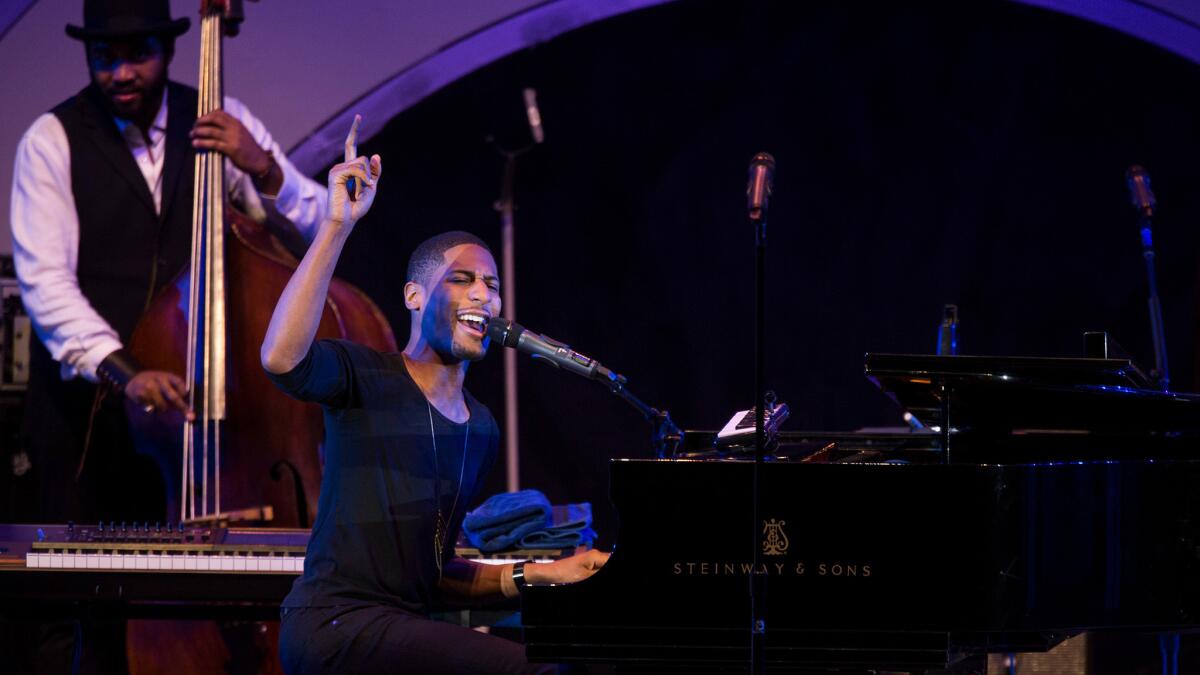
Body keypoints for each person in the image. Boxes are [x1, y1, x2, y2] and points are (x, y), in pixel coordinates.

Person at [6, 0, 326, 671]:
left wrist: (263, 165)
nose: (119, 71)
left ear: (170, 48)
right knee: (83, 620)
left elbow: (317, 229)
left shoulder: (218, 118)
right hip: (93, 426)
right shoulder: (51, 139)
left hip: (213, 429)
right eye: (104, 57)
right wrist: (128, 371)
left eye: (136, 54)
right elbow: (45, 286)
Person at [261, 122, 608, 674]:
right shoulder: (364, 374)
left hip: (402, 628)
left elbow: (436, 575)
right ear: (415, 296)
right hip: (334, 622)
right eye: (462, 279)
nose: (482, 293)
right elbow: (280, 358)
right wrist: (335, 226)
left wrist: (549, 571)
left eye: (492, 285)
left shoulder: (482, 427)